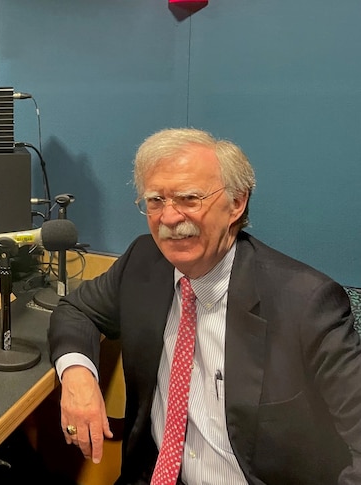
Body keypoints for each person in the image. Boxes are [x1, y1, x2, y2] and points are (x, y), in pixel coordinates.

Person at [48, 128, 361, 484]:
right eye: (154, 201)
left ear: (236, 202)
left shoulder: (306, 304)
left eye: (189, 199)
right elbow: (75, 311)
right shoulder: (144, 261)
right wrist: (77, 375)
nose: (169, 218)